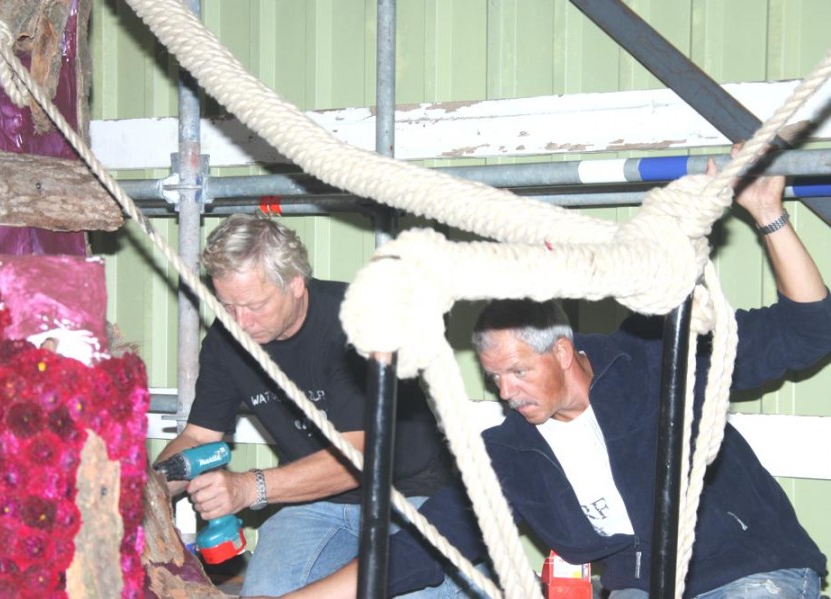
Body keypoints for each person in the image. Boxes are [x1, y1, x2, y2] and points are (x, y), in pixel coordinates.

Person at [270, 163, 831, 598]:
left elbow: (809, 330)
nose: (506, 392)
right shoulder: (511, 452)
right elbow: (420, 548)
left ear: (563, 352)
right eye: (494, 378)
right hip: (641, 586)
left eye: (519, 371)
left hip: (749, 570)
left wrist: (768, 215)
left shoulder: (653, 360)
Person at [155, 214, 467, 597]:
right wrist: (145, 491)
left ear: (296, 283)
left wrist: (249, 488)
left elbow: (360, 458)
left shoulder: (355, 323)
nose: (240, 322)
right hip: (314, 504)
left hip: (409, 496)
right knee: (266, 591)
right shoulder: (225, 341)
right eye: (227, 306)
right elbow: (198, 437)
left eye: (255, 305)